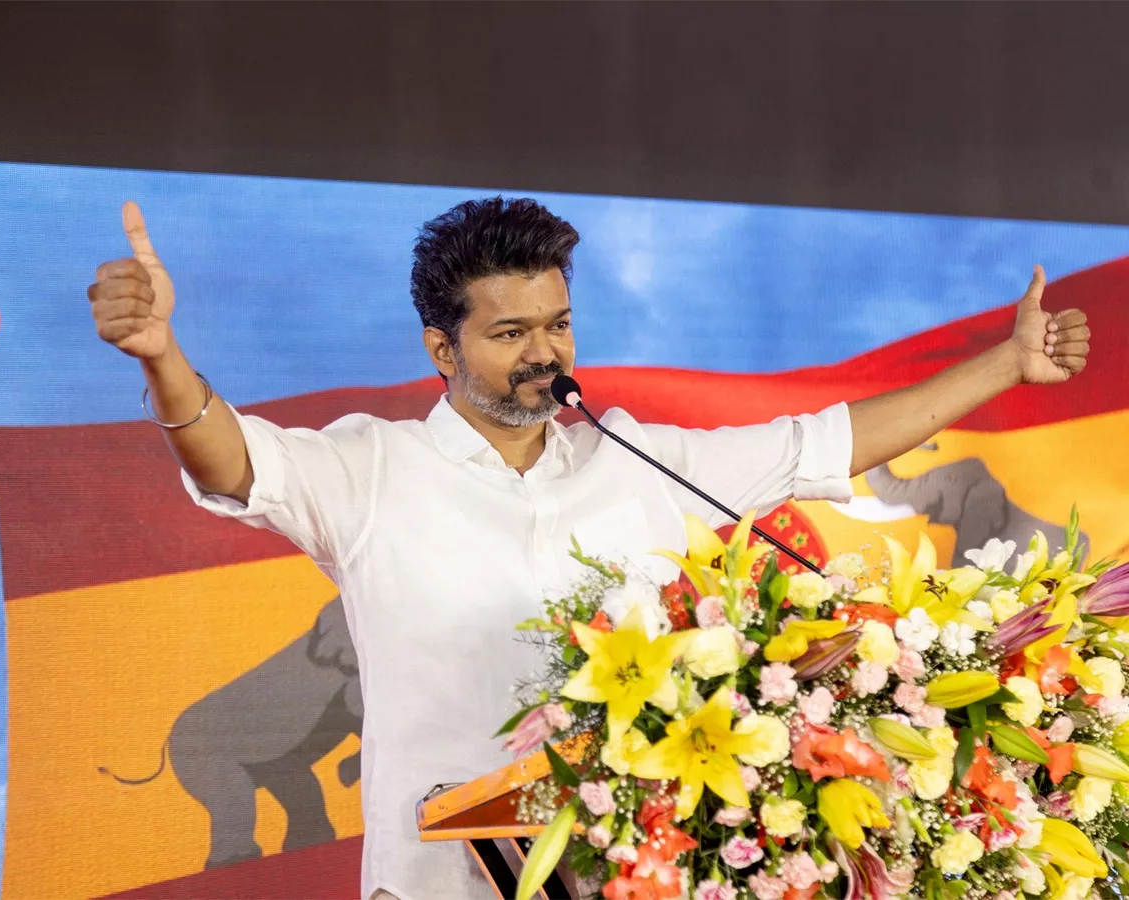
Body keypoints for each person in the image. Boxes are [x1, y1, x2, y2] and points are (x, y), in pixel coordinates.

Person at [87, 196, 1091, 900]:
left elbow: (829, 442)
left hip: (628, 877)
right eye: (510, 332)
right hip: (439, 885)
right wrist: (166, 361)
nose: (544, 356)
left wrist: (1005, 362)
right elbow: (229, 462)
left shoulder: (636, 460)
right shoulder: (370, 469)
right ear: (442, 349)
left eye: (559, 326)